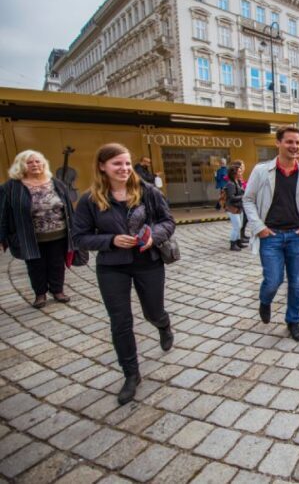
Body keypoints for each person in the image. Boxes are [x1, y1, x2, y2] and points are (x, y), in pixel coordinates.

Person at [71, 143, 175, 405]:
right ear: (102, 166)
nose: (124, 168)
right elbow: (79, 237)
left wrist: (153, 237)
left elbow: (168, 222)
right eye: (117, 163)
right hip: (112, 266)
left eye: (127, 163)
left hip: (148, 261)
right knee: (120, 321)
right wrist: (111, 240)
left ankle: (163, 324)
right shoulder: (90, 199)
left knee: (153, 311)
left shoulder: (148, 191)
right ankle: (131, 374)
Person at [243, 126, 299, 342]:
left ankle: (293, 321)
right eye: (289, 142)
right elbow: (248, 200)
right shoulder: (261, 171)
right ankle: (265, 300)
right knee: (273, 280)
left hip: (297, 236)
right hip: (271, 236)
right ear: (278, 143)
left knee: (297, 283)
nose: (294, 146)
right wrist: (259, 227)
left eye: (297, 142)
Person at [0, 150, 77, 308]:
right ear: (21, 166)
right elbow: (3, 214)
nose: (34, 165)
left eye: (37, 161)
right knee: (35, 266)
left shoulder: (56, 183)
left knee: (57, 264)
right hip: (29, 236)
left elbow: (68, 208)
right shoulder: (10, 187)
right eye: (29, 162)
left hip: (58, 234)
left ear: (43, 164)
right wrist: (1, 237)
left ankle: (57, 290)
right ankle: (40, 294)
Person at [224, 164, 246, 251]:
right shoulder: (230, 184)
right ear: (234, 174)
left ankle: (238, 242)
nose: (241, 173)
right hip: (232, 208)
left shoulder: (238, 181)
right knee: (237, 226)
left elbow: (241, 192)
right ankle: (232, 244)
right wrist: (243, 197)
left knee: (239, 226)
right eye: (239, 171)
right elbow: (232, 198)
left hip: (238, 207)